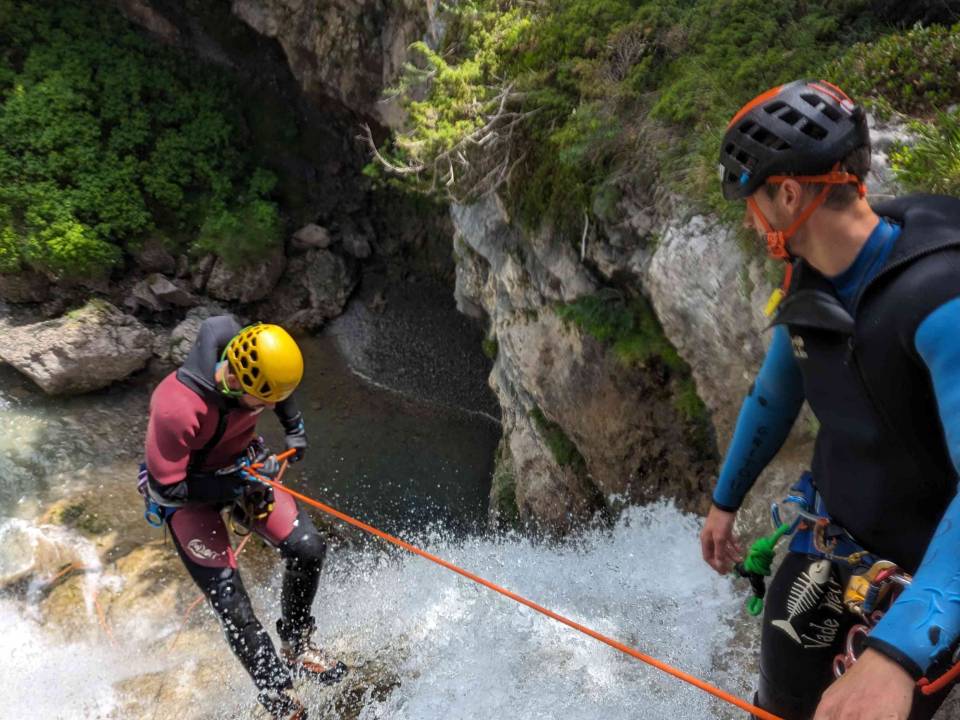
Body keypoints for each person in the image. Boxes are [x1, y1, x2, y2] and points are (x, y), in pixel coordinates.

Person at [702, 79, 960, 720]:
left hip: (932, 578)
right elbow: (776, 390)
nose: (748, 217)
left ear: (788, 193)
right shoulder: (810, 276)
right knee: (781, 706)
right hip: (833, 544)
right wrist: (724, 502)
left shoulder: (939, 300)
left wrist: (897, 654)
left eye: (751, 198)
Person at [141, 316, 345, 720]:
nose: (270, 407)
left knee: (308, 548)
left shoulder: (251, 360)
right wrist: (236, 485)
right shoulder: (177, 407)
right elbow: (168, 490)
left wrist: (294, 427)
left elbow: (277, 386)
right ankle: (278, 694)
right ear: (234, 381)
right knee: (232, 602)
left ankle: (298, 645)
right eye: (264, 401)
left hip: (241, 469)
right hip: (189, 498)